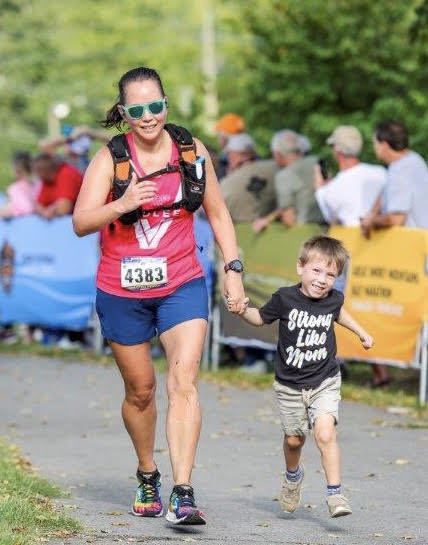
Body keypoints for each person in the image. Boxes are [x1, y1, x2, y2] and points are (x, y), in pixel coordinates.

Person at [72, 66, 246, 526]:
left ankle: (183, 491)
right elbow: (81, 221)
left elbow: (220, 214)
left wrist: (233, 270)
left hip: (182, 282)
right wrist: (123, 204)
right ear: (124, 113)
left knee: (183, 379)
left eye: (155, 106)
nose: (148, 116)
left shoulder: (191, 149)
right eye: (137, 109)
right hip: (121, 290)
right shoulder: (111, 159)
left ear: (165, 104)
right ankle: (148, 473)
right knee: (142, 391)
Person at [230, 235, 374, 518]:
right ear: (301, 267)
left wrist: (361, 332)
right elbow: (260, 318)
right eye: (316, 271)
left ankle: (335, 495)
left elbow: (339, 314)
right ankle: (293, 476)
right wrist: (242, 310)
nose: (322, 280)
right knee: (295, 440)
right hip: (290, 386)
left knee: (324, 433)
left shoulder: (333, 299)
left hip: (325, 380)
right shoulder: (285, 298)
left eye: (331, 275)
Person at [361, 120, 428, 387]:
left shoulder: (400, 171)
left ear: (384, 145)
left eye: (376, 143)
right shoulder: (415, 161)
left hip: (412, 255)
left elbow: (397, 217)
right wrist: (374, 210)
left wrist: (370, 222)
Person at [253, 130, 324, 233]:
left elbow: (289, 220)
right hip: (328, 230)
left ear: (278, 154)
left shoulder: (284, 176)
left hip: (305, 235)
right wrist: (269, 218)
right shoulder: (317, 162)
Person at [315, 126, 386, 227]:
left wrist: (320, 188)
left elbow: (331, 220)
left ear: (336, 150)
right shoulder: (381, 172)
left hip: (352, 240)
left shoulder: (330, 190)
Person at [220, 134, 277, 224]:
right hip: (276, 227)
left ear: (233, 154)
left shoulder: (226, 183)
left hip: (240, 233)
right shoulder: (276, 168)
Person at [39, 124, 110, 174]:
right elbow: (44, 145)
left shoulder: (92, 164)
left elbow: (116, 141)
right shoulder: (61, 162)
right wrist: (72, 137)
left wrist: (91, 133)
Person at [34, 154, 83, 219]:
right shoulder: (47, 181)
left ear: (42, 170)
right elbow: (38, 206)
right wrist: (45, 212)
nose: (36, 175)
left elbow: (64, 209)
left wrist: (51, 210)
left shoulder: (66, 174)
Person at [0, 152, 40, 219]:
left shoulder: (15, 189)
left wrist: (6, 212)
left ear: (16, 170)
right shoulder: (39, 183)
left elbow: (27, 209)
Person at [214, 113, 245, 179]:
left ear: (225, 137)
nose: (218, 140)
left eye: (219, 135)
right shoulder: (256, 158)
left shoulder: (223, 162)